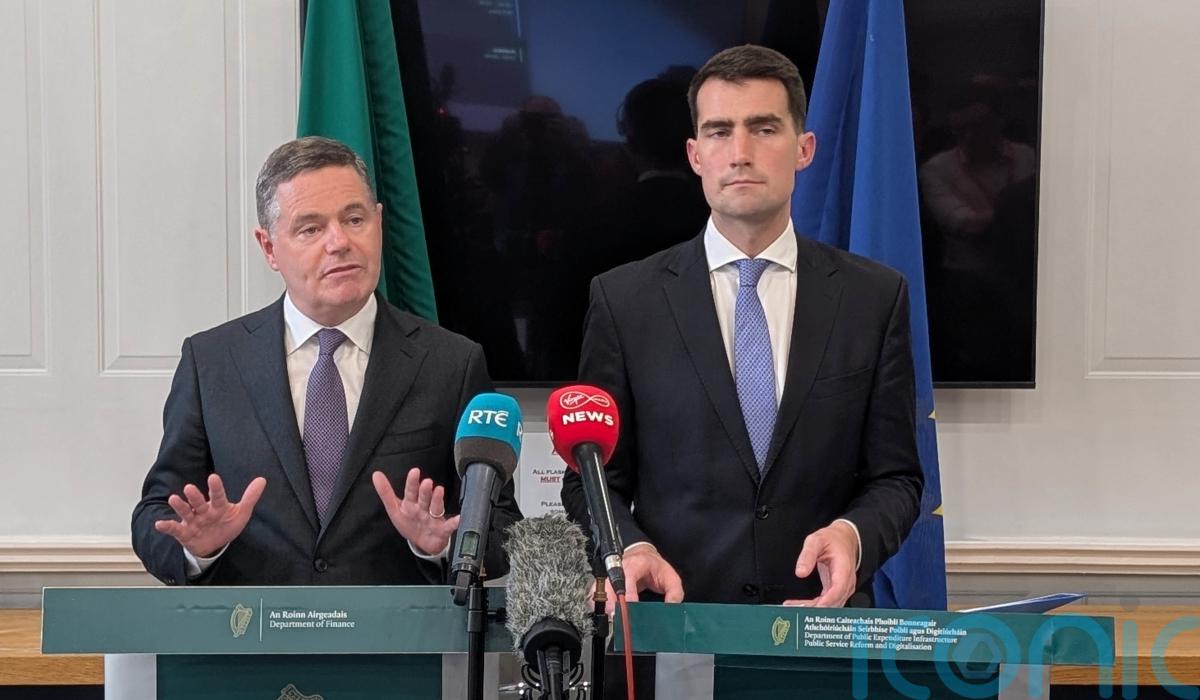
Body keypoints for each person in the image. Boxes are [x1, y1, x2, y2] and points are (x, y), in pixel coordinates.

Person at [561, 45, 923, 609]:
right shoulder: (625, 301)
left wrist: (853, 535)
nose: (740, 153)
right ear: (694, 154)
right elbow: (591, 477)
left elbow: (896, 476)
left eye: (764, 128)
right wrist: (629, 548)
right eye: (719, 131)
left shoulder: (873, 297)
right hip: (678, 624)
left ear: (804, 149)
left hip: (820, 625)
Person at [131, 136, 521, 586]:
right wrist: (199, 548)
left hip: (396, 629)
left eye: (354, 219)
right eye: (310, 229)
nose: (339, 242)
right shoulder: (212, 362)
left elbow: (503, 524)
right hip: (254, 627)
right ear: (269, 247)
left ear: (378, 222)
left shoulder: (451, 363)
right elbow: (155, 515)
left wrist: (445, 546)